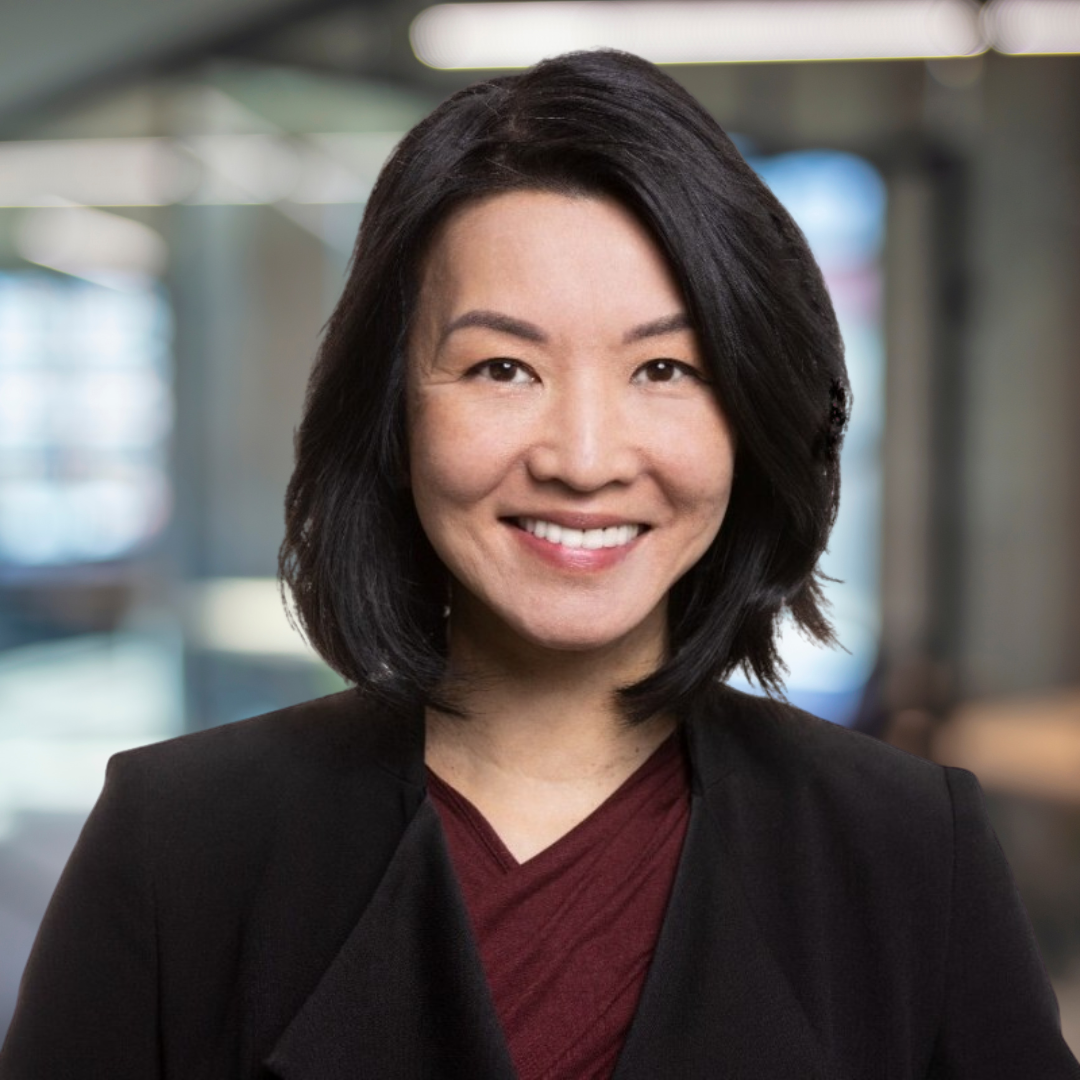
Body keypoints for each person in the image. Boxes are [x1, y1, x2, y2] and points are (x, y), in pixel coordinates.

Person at [1, 49, 1077, 1080]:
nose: (584, 459)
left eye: (665, 367)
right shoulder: (183, 842)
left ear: (752, 413)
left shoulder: (898, 847)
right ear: (391, 409)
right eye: (502, 367)